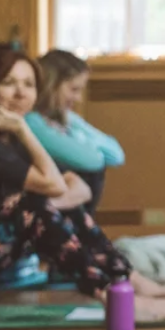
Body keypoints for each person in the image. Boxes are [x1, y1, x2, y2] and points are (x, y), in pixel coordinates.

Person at [0, 49, 165, 320]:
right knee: (34, 204)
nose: (20, 93)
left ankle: (127, 283)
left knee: (41, 204)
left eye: (28, 84)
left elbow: (77, 186)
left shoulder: (12, 138)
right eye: (8, 83)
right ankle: (113, 297)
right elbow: (55, 185)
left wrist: (46, 201)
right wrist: (41, 198)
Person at [27, 49, 125, 213]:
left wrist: (74, 127)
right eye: (74, 89)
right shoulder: (33, 123)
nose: (78, 98)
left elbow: (116, 155)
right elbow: (93, 161)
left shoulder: (65, 119)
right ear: (51, 85)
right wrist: (88, 143)